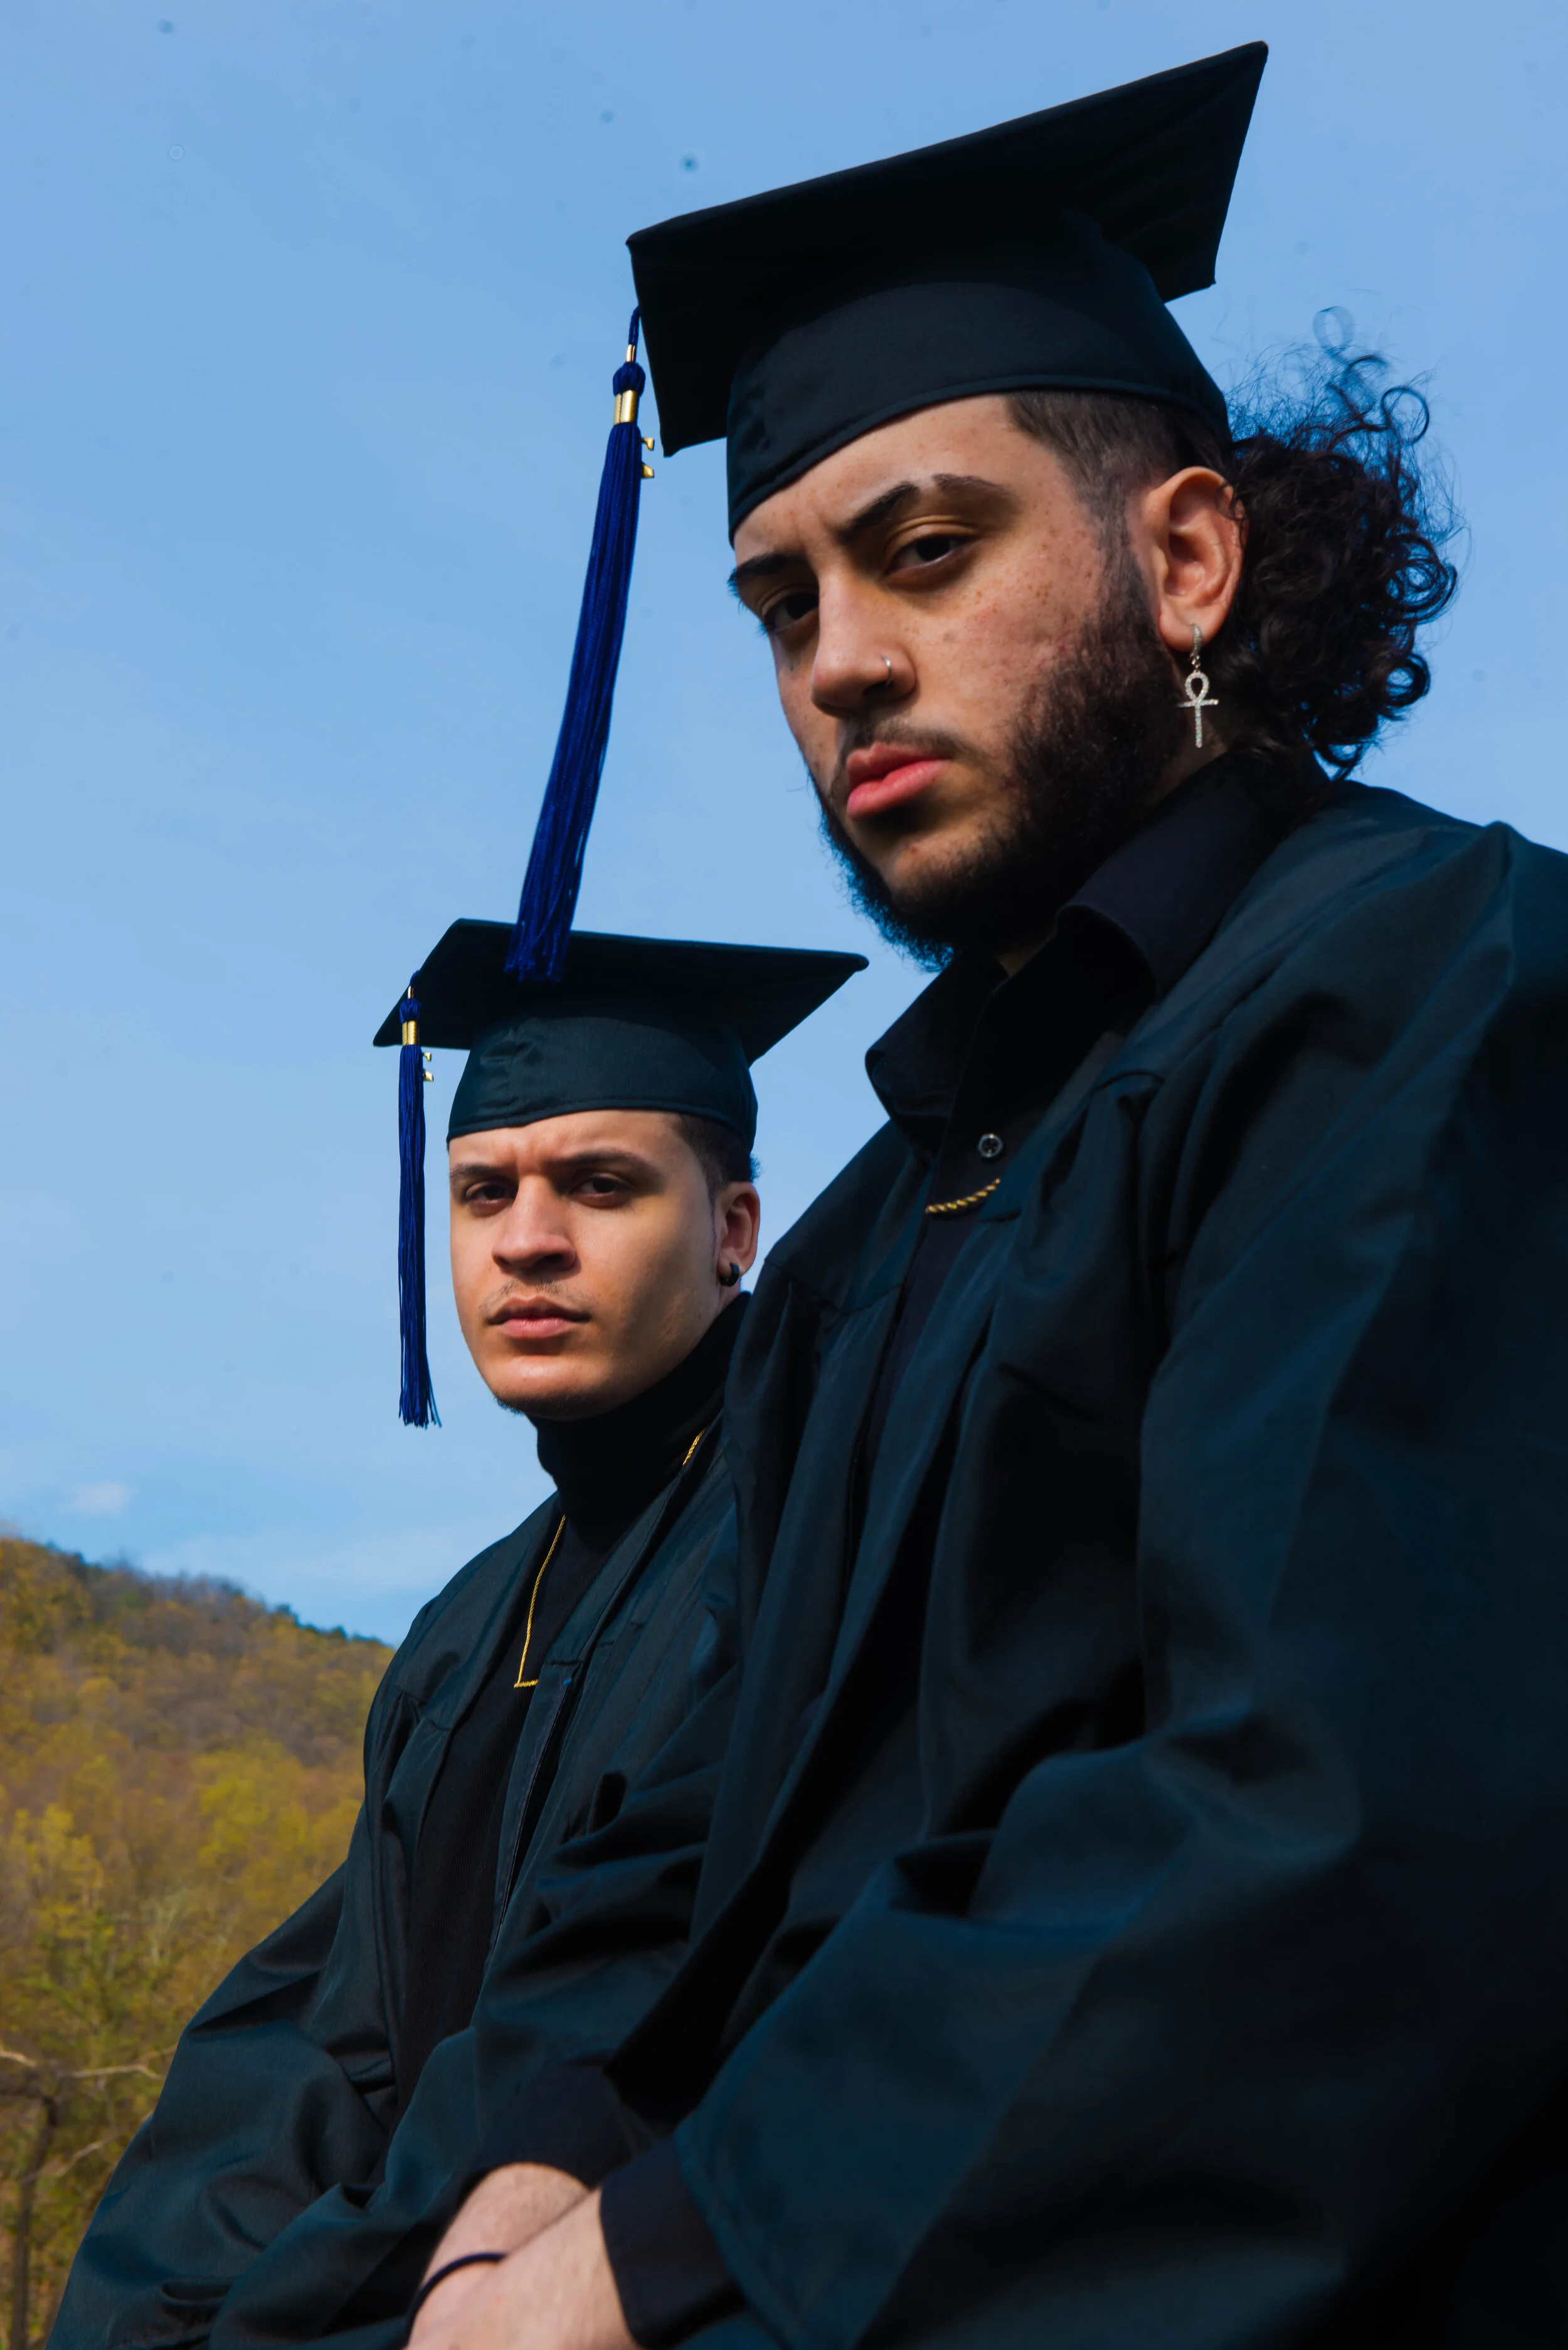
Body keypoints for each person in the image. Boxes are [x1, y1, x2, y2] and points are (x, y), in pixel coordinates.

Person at [352, 41, 1568, 2350]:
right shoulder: (867, 1227)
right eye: (781, 605)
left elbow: (1330, 1821)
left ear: (1185, 555)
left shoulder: (1428, 982)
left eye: (930, 549)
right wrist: (533, 2158)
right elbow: (711, 1814)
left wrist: (639, 2259)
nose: (846, 663)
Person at [51, 922, 861, 2350]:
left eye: (599, 1185)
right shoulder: (463, 1630)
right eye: (482, 1190)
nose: (526, 1238)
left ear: (735, 1228)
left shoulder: (813, 1528)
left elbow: (668, 2019)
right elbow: (328, 2047)